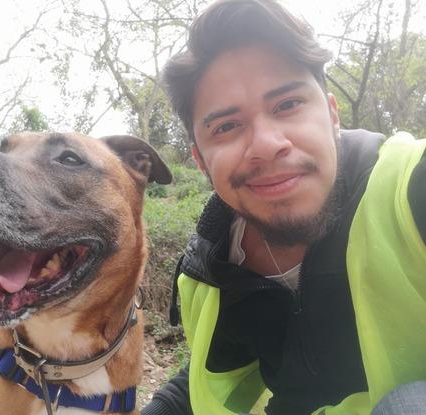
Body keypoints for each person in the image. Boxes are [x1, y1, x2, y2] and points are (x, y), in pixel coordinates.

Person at [141, 1, 426, 414]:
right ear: (200, 161)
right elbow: (203, 378)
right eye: (226, 126)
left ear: (331, 114)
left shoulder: (410, 188)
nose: (266, 144)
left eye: (288, 104)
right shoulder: (214, 268)